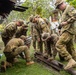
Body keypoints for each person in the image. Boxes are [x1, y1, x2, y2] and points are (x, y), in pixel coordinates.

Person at [55, 0, 76, 69]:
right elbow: (62, 23)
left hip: (68, 31)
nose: (58, 8)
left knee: (58, 44)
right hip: (66, 30)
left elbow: (75, 15)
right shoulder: (63, 11)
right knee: (71, 48)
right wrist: (60, 28)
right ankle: (74, 62)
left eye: (58, 6)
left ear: (62, 4)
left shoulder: (69, 8)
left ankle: (70, 60)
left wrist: (67, 22)